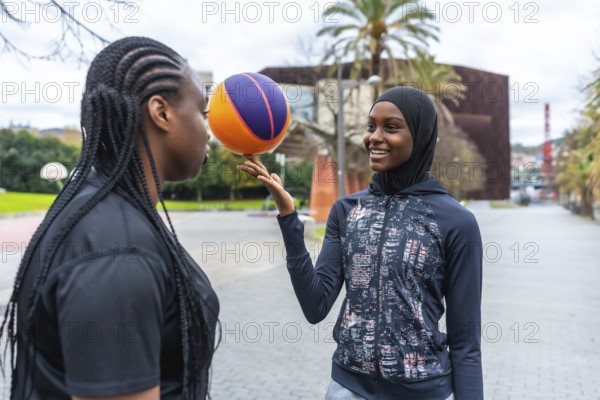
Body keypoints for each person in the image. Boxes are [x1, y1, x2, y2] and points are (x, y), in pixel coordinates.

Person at [0, 37, 219, 400]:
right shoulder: (117, 249)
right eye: (203, 113)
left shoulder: (101, 211)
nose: (209, 130)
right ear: (161, 112)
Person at [239, 86, 483, 400]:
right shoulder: (347, 211)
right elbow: (316, 306)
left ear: (420, 136)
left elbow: (466, 342)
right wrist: (289, 218)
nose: (374, 137)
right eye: (371, 127)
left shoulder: (456, 222)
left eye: (391, 127)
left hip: (425, 392)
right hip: (349, 389)